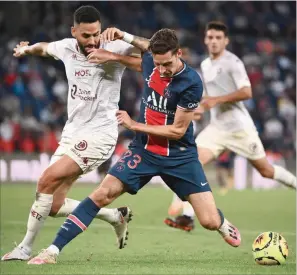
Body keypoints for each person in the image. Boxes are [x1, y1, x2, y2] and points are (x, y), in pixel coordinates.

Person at [26, 27, 241, 265]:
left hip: (180, 156)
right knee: (101, 195)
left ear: (179, 53)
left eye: (167, 64)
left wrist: (134, 125)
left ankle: (222, 223)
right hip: (144, 152)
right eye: (157, 64)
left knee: (208, 221)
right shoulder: (153, 62)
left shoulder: (191, 82)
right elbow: (144, 49)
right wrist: (123, 38)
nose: (161, 70)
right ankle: (53, 250)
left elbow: (177, 131)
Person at [2, 5, 142, 261]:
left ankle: (24, 248)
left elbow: (154, 58)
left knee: (45, 179)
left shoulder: (113, 47)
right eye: (85, 35)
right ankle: (114, 216)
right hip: (72, 133)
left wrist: (116, 53)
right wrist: (26, 48)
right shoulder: (66, 47)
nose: (92, 41)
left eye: (96, 34)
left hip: (101, 134)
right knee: (54, 205)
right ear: (74, 31)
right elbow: (44, 47)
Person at [164, 21, 296, 232]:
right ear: (205, 40)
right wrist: (199, 109)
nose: (214, 41)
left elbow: (246, 92)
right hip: (217, 128)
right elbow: (207, 97)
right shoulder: (206, 65)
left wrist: (217, 100)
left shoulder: (233, 62)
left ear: (226, 41)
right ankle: (187, 217)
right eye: (210, 37)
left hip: (239, 128)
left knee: (266, 171)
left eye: (218, 38)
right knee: (191, 163)